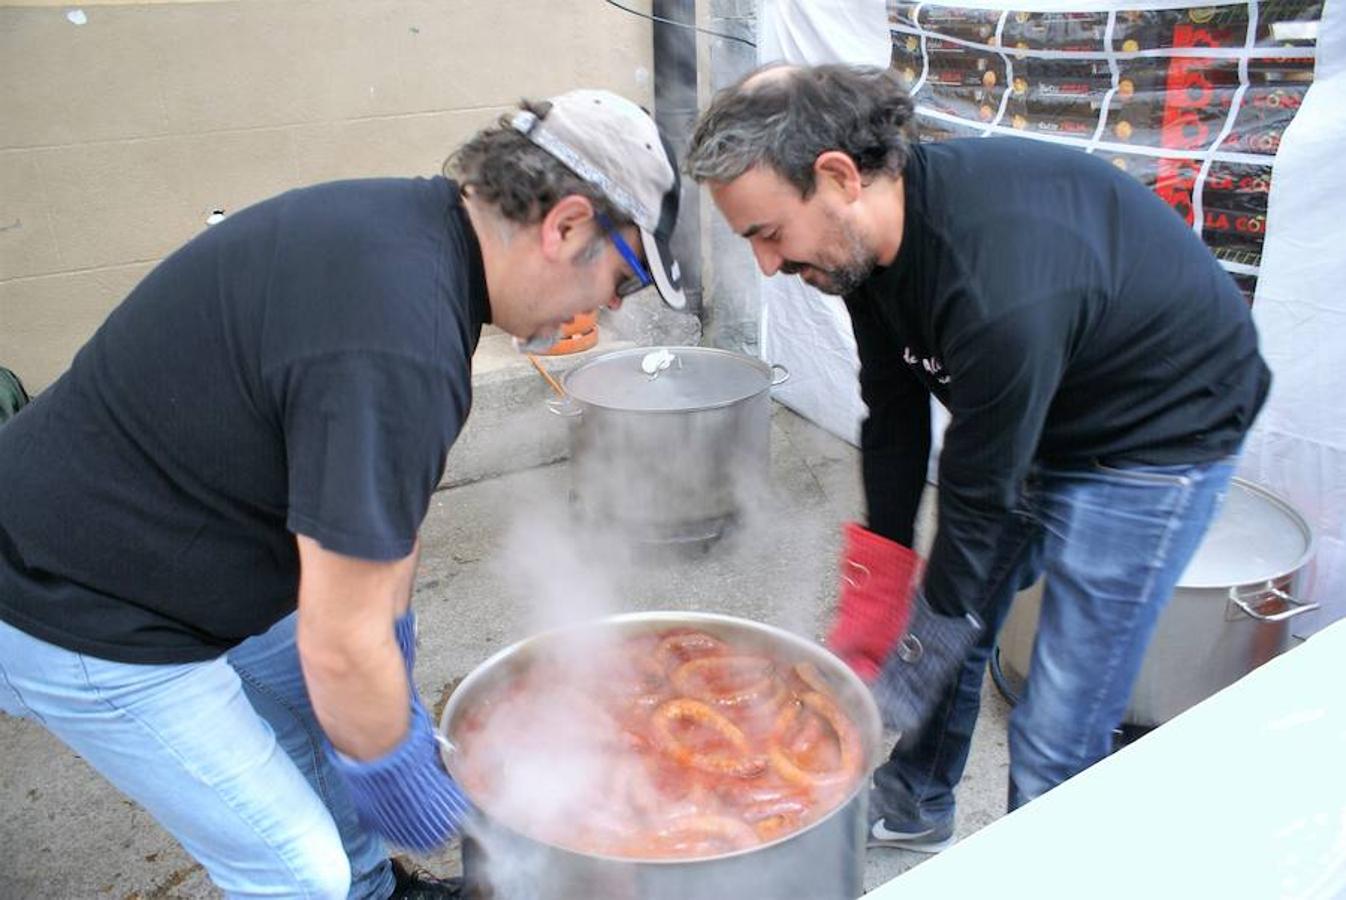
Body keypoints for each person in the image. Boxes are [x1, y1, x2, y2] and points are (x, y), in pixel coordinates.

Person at [0, 89, 685, 898]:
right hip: (80, 603)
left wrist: (384, 676)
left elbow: (382, 533)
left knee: (344, 723)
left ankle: (376, 889)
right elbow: (338, 643)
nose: (609, 306)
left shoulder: (406, 235)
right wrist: (423, 791)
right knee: (299, 871)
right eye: (628, 275)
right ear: (566, 224)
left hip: (175, 535)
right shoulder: (400, 342)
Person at [686, 63, 1269, 852]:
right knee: (952, 605)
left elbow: (978, 489)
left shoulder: (992, 282)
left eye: (767, 233)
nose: (765, 263)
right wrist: (882, 577)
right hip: (1041, 396)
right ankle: (918, 799)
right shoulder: (860, 249)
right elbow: (893, 414)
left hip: (1158, 435)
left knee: (1056, 718)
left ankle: (1044, 864)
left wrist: (908, 664)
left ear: (838, 176)